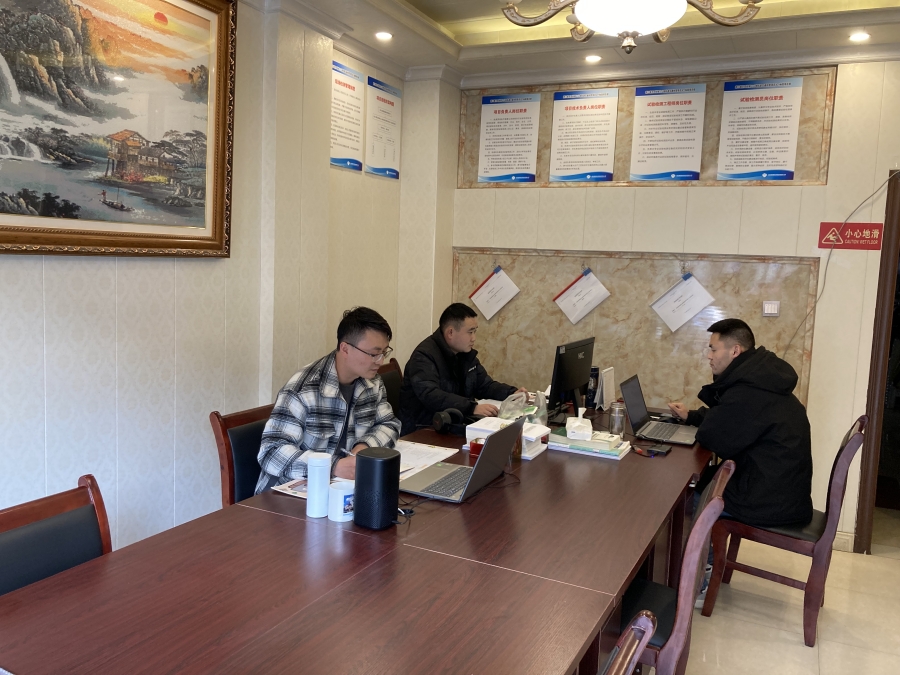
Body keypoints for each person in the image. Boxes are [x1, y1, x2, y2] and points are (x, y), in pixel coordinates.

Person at [668, 318, 813, 528]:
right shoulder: (761, 378)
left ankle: (697, 551)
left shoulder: (749, 390)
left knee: (684, 496)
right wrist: (691, 416)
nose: (709, 356)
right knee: (704, 477)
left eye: (713, 349)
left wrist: (700, 424)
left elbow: (713, 437)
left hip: (767, 502)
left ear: (735, 350)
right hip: (781, 493)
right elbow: (730, 419)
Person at [255, 307, 401, 493]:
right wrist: (334, 466)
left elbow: (388, 424)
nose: (380, 361)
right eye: (374, 354)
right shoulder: (303, 389)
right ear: (345, 348)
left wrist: (363, 448)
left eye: (384, 353)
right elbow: (271, 453)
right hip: (287, 493)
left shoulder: (372, 382)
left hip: (341, 487)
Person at [398, 303, 524, 437]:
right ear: (450, 333)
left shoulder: (464, 354)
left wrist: (512, 393)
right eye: (470, 332)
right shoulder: (424, 356)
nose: (474, 338)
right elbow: (431, 395)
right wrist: (471, 408)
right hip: (424, 429)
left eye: (475, 331)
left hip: (454, 423)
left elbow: (484, 385)